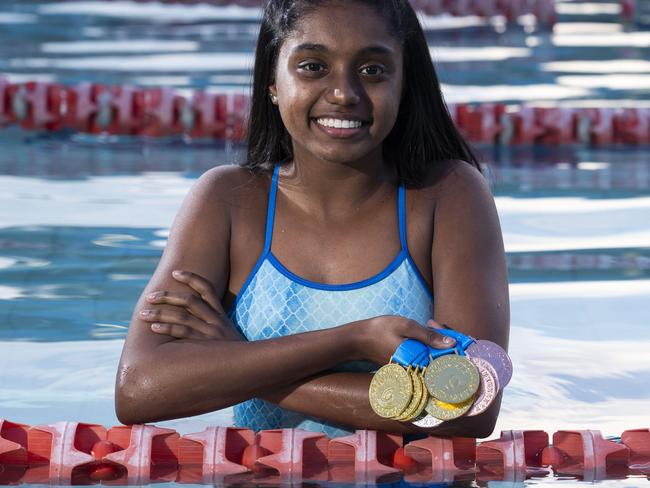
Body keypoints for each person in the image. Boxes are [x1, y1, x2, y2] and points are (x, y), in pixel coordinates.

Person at [115, 0, 509, 439]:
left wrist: (237, 359)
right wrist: (355, 338)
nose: (344, 93)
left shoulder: (447, 196)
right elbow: (139, 389)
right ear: (273, 82)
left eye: (373, 70)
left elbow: (469, 409)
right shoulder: (228, 201)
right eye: (313, 66)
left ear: (405, 85)